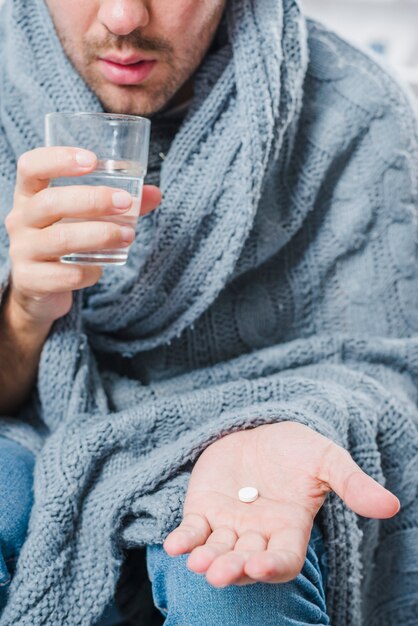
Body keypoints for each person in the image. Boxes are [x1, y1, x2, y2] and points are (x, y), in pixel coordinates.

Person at [0, 0, 417, 624]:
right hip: (42, 424)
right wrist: (28, 307)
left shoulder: (352, 111)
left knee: (238, 588)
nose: (121, 17)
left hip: (255, 434)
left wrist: (293, 419)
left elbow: (389, 371)